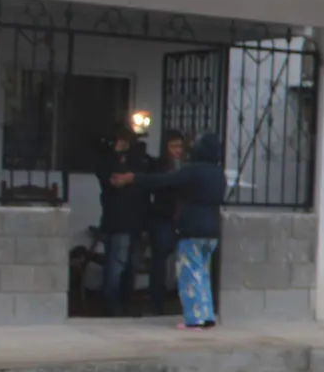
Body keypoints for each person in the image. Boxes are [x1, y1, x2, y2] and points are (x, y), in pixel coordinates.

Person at [116, 132, 225, 330]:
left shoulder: (194, 170)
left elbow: (164, 180)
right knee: (203, 272)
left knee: (189, 273)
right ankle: (207, 315)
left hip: (193, 228)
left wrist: (135, 178)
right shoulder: (218, 174)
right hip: (212, 230)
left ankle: (193, 319)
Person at [94, 130, 152, 317]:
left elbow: (143, 182)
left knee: (131, 266)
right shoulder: (106, 163)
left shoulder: (139, 162)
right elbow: (111, 180)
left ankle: (125, 304)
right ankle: (112, 306)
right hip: (117, 222)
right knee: (116, 265)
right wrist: (117, 158)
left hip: (136, 221)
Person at [146, 131, 187, 316]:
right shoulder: (159, 166)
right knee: (159, 262)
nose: (176, 151)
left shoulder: (186, 167)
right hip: (162, 218)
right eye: (173, 147)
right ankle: (156, 303)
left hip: (181, 219)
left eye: (179, 147)